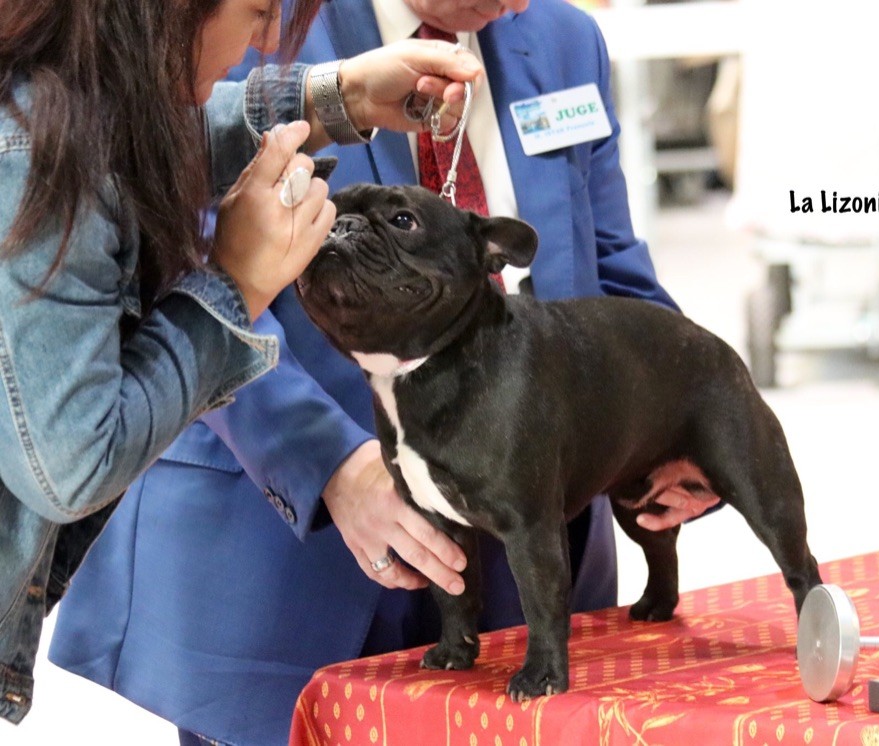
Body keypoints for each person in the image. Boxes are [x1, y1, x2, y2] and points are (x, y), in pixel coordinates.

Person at [49, 0, 721, 743]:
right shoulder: (245, 21)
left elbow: (614, 270)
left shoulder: (562, 40)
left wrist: (691, 426)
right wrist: (334, 465)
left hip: (530, 566)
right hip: (289, 566)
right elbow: (181, 267)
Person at [0, 0, 484, 727]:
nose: (264, 41)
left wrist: (340, 96)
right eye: (258, 14)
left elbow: (153, 136)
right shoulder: (34, 151)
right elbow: (75, 461)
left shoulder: (62, 105)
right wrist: (234, 286)